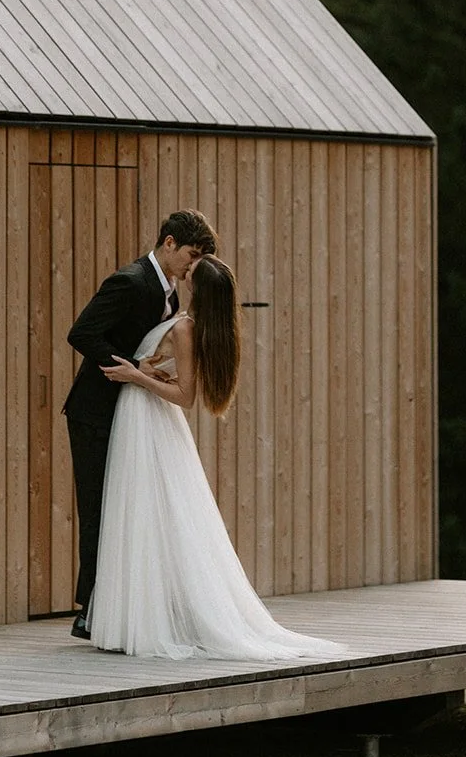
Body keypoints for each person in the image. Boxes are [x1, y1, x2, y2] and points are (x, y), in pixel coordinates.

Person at [88, 253, 344, 662]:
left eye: (189, 272)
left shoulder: (187, 328)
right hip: (142, 414)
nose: (183, 273)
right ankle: (132, 617)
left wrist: (135, 375)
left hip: (149, 418)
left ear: (196, 286)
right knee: (139, 512)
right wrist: (150, 371)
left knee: (144, 511)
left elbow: (186, 397)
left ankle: (145, 621)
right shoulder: (186, 322)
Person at [64, 209, 217, 641]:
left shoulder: (171, 289)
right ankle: (89, 610)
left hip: (135, 410)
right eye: (191, 254)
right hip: (97, 412)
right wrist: (134, 367)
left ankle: (119, 605)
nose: (193, 265)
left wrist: (151, 373)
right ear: (169, 242)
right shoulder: (130, 281)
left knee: (130, 511)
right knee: (99, 510)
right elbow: (82, 334)